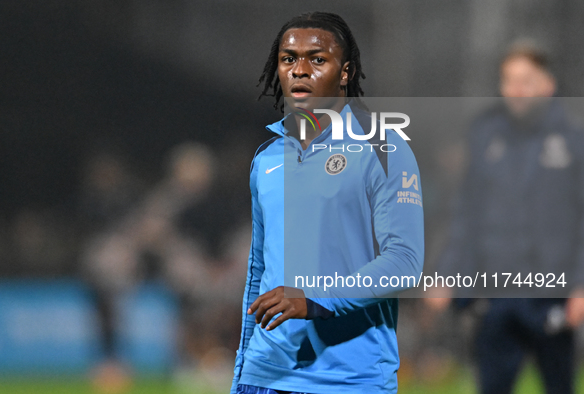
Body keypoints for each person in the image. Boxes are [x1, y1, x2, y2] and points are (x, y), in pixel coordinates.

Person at [231, 12, 424, 394]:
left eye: (317, 59)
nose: (300, 70)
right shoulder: (267, 158)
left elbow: (404, 261)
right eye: (289, 59)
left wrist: (316, 298)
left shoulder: (382, 148)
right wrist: (243, 369)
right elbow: (259, 271)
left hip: (347, 379)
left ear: (346, 72)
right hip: (265, 376)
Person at [428, 41, 584, 394]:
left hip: (552, 297)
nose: (517, 90)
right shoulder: (485, 136)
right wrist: (446, 273)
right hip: (495, 296)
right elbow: (465, 215)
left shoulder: (573, 141)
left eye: (526, 80)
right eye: (509, 80)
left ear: (548, 83)